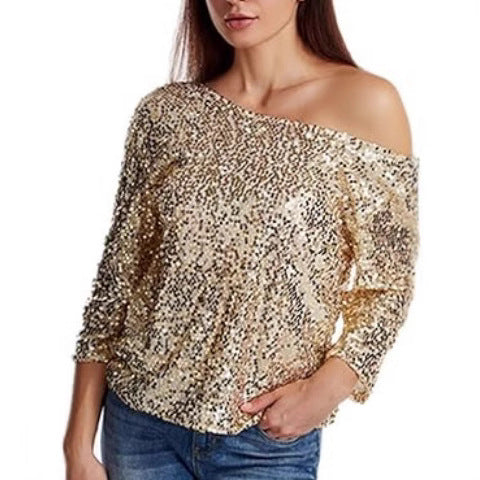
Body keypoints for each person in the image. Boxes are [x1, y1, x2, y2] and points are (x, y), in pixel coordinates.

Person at [63, 1, 420, 479]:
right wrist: (77, 444)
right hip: (140, 428)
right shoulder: (166, 114)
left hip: (266, 440)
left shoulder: (366, 104)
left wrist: (327, 389)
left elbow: (388, 285)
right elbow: (117, 281)